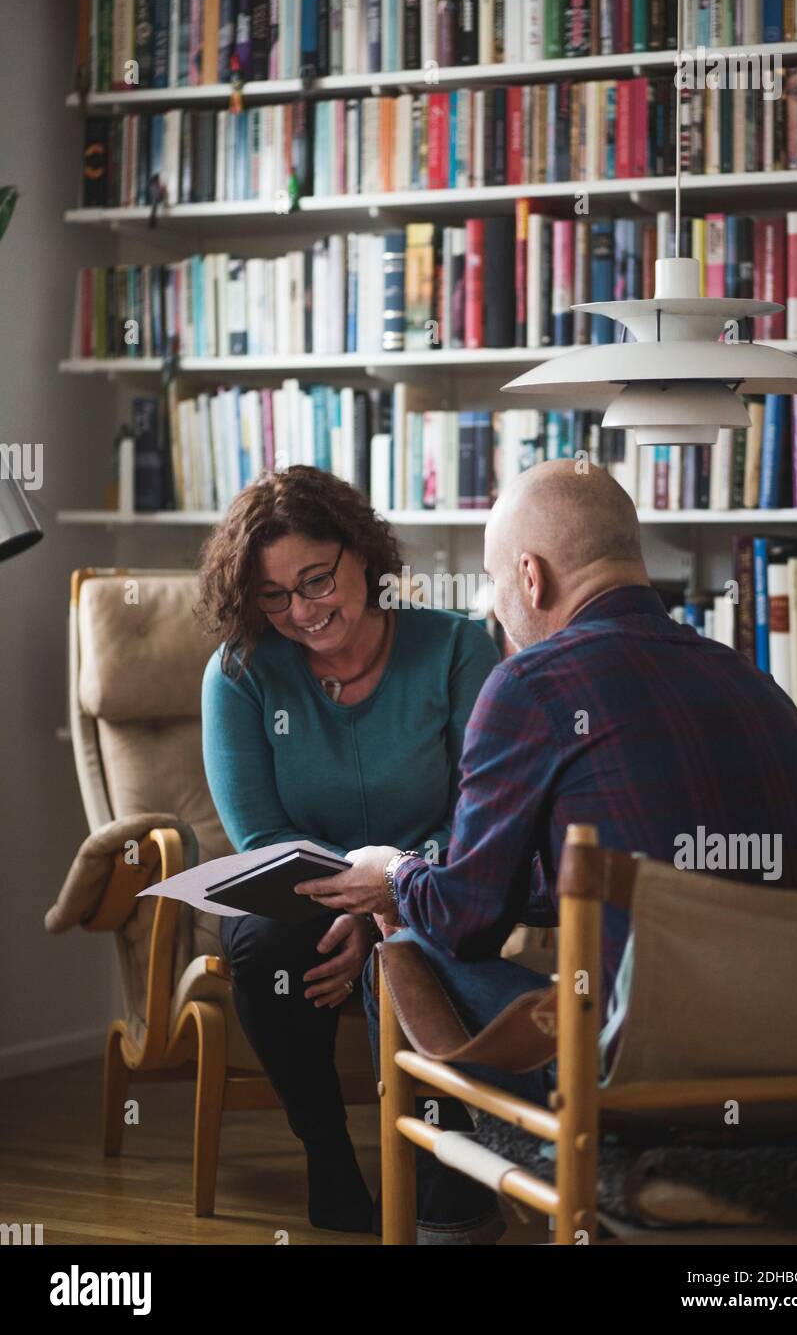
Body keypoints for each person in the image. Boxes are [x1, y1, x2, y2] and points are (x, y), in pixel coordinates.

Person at [296, 459, 797, 1243]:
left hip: (650, 1091)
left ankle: (446, 1231)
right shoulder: (755, 682)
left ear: (531, 574)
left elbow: (465, 922)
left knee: (407, 942)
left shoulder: (533, 684)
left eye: (493, 583)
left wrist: (395, 874)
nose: (493, 609)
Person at [197, 466, 498, 1233]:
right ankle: (329, 1160)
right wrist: (353, 897)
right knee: (265, 945)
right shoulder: (239, 673)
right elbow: (260, 837)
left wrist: (385, 898)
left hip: (429, 881)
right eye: (274, 595)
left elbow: (480, 811)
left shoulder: (458, 646)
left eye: (316, 580)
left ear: (361, 552)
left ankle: (448, 1199)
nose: (301, 611)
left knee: (421, 939)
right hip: (301, 894)